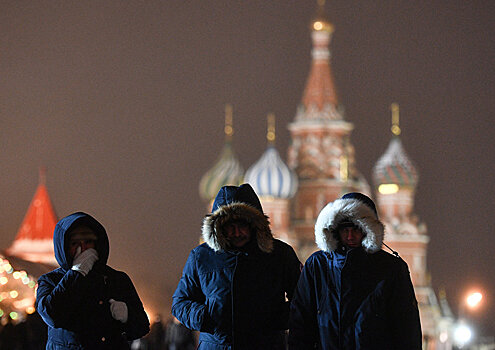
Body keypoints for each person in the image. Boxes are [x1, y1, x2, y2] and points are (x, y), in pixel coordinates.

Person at [172, 183, 301, 349]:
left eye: (242, 225)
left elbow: (302, 301)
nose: (237, 232)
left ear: (254, 225)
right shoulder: (201, 256)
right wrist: (204, 316)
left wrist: (276, 318)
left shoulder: (280, 254)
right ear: (218, 227)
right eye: (229, 227)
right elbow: (180, 303)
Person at [289, 192, 422, 349]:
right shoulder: (318, 265)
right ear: (335, 230)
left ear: (368, 230)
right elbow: (301, 322)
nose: (350, 236)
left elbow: (406, 327)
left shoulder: (390, 268)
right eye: (345, 230)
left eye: (356, 229)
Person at [36, 212, 150, 349]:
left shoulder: (117, 279)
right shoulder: (50, 280)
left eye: (88, 242)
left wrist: (127, 315)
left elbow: (142, 327)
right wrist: (77, 273)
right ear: (65, 247)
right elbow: (51, 315)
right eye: (75, 244)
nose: (83, 249)